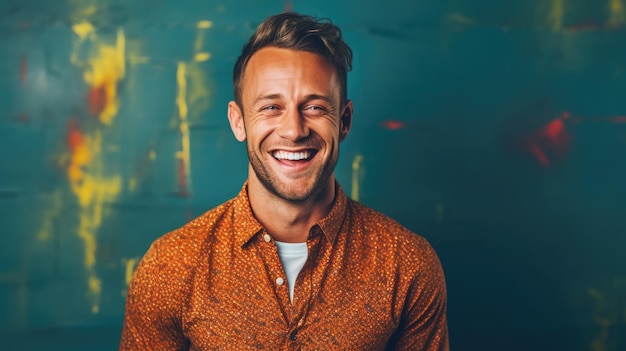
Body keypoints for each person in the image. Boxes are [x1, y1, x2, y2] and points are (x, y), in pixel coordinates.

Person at [119, 11, 449, 350]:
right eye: (271, 108)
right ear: (239, 122)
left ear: (345, 121)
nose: (294, 130)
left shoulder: (407, 263)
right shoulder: (170, 265)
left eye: (316, 107)